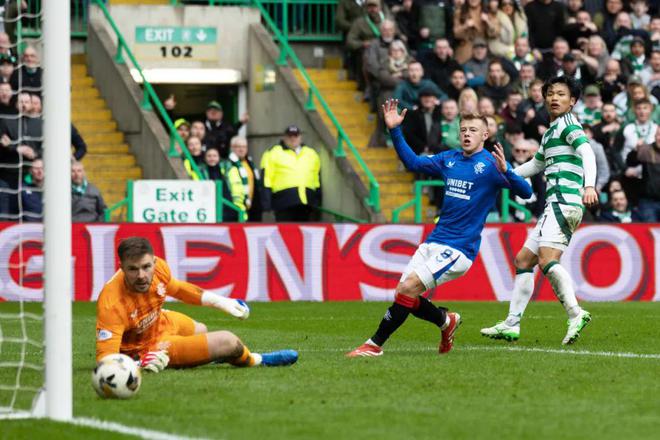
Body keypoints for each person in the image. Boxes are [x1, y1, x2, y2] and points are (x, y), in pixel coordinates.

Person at [346, 99, 532, 357]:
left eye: (473, 130)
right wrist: (394, 130)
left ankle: (374, 345)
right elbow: (413, 163)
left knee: (408, 289)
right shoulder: (449, 158)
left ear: (485, 135)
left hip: (459, 248)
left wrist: (508, 171)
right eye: (463, 129)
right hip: (434, 241)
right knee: (404, 295)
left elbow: (526, 191)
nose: (467, 134)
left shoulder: (492, 165)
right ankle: (446, 321)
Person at [481, 75, 598, 345]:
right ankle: (511, 324)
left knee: (546, 260)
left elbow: (588, 153)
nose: (554, 98)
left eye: (561, 94)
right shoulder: (550, 132)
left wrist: (589, 185)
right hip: (554, 205)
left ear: (572, 101)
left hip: (564, 202)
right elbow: (535, 165)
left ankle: (576, 313)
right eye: (550, 93)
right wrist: (506, 174)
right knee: (524, 261)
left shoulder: (568, 125)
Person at [95, 237, 298, 370]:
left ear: (154, 262)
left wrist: (221, 302)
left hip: (160, 321)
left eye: (146, 267)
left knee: (201, 329)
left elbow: (178, 289)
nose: (141, 275)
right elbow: (105, 361)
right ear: (121, 267)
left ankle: (206, 355)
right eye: (133, 269)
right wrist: (140, 363)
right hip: (144, 348)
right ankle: (256, 360)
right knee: (229, 342)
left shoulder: (159, 269)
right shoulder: (111, 303)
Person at [261, 125, 321, 222]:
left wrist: (317, 200)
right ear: (284, 137)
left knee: (303, 230)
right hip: (283, 202)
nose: (293, 139)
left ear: (300, 137)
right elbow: (266, 179)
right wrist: (266, 203)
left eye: (295, 136)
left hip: (307, 202)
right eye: (290, 136)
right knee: (285, 230)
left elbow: (316, 178)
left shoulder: (311, 153)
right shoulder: (273, 152)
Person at [228, 136, 264, 222]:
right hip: (236, 205)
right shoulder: (228, 164)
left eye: (244, 147)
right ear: (232, 148)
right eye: (238, 147)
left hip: (253, 204)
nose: (242, 149)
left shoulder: (249, 162)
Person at [21, 157, 43, 222]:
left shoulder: (54, 189)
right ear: (30, 171)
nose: (40, 171)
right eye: (36, 168)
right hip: (29, 226)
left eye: (42, 168)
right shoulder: (22, 188)